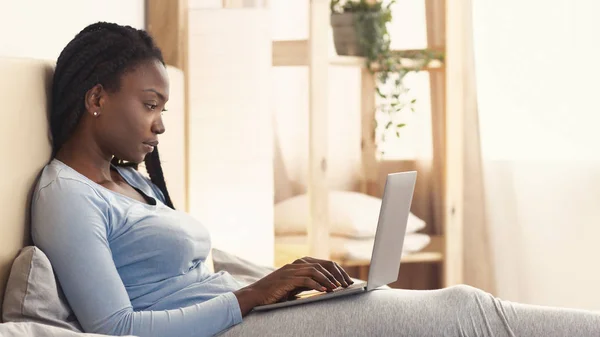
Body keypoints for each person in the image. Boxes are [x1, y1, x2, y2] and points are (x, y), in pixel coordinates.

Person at [31, 22, 599, 337]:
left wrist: (283, 280)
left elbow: (200, 274)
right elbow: (118, 330)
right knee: (461, 314)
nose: (160, 124)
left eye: (164, 108)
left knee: (461, 311)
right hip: (230, 327)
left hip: (241, 313)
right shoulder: (66, 197)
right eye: (151, 104)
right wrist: (254, 298)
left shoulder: (129, 183)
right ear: (97, 98)